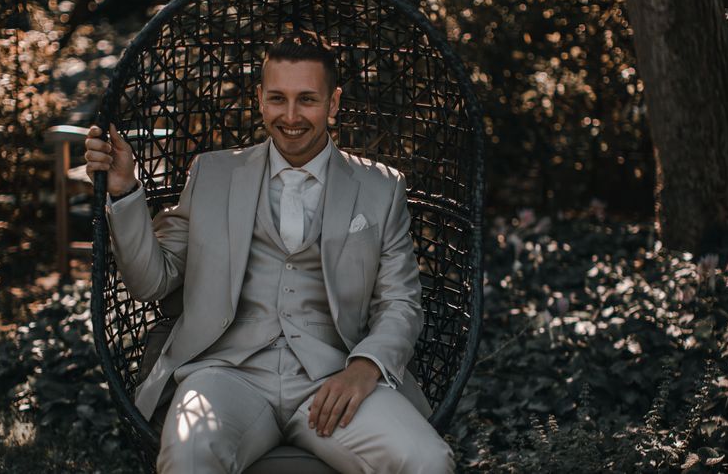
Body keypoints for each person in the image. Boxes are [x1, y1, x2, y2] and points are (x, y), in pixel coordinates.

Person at [85, 31, 455, 474]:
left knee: (427, 460)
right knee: (188, 454)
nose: (291, 116)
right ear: (260, 99)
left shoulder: (380, 187)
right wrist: (125, 191)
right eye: (278, 98)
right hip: (225, 376)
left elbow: (400, 301)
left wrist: (365, 367)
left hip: (333, 379)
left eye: (308, 100)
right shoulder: (213, 173)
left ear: (333, 104)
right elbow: (152, 281)